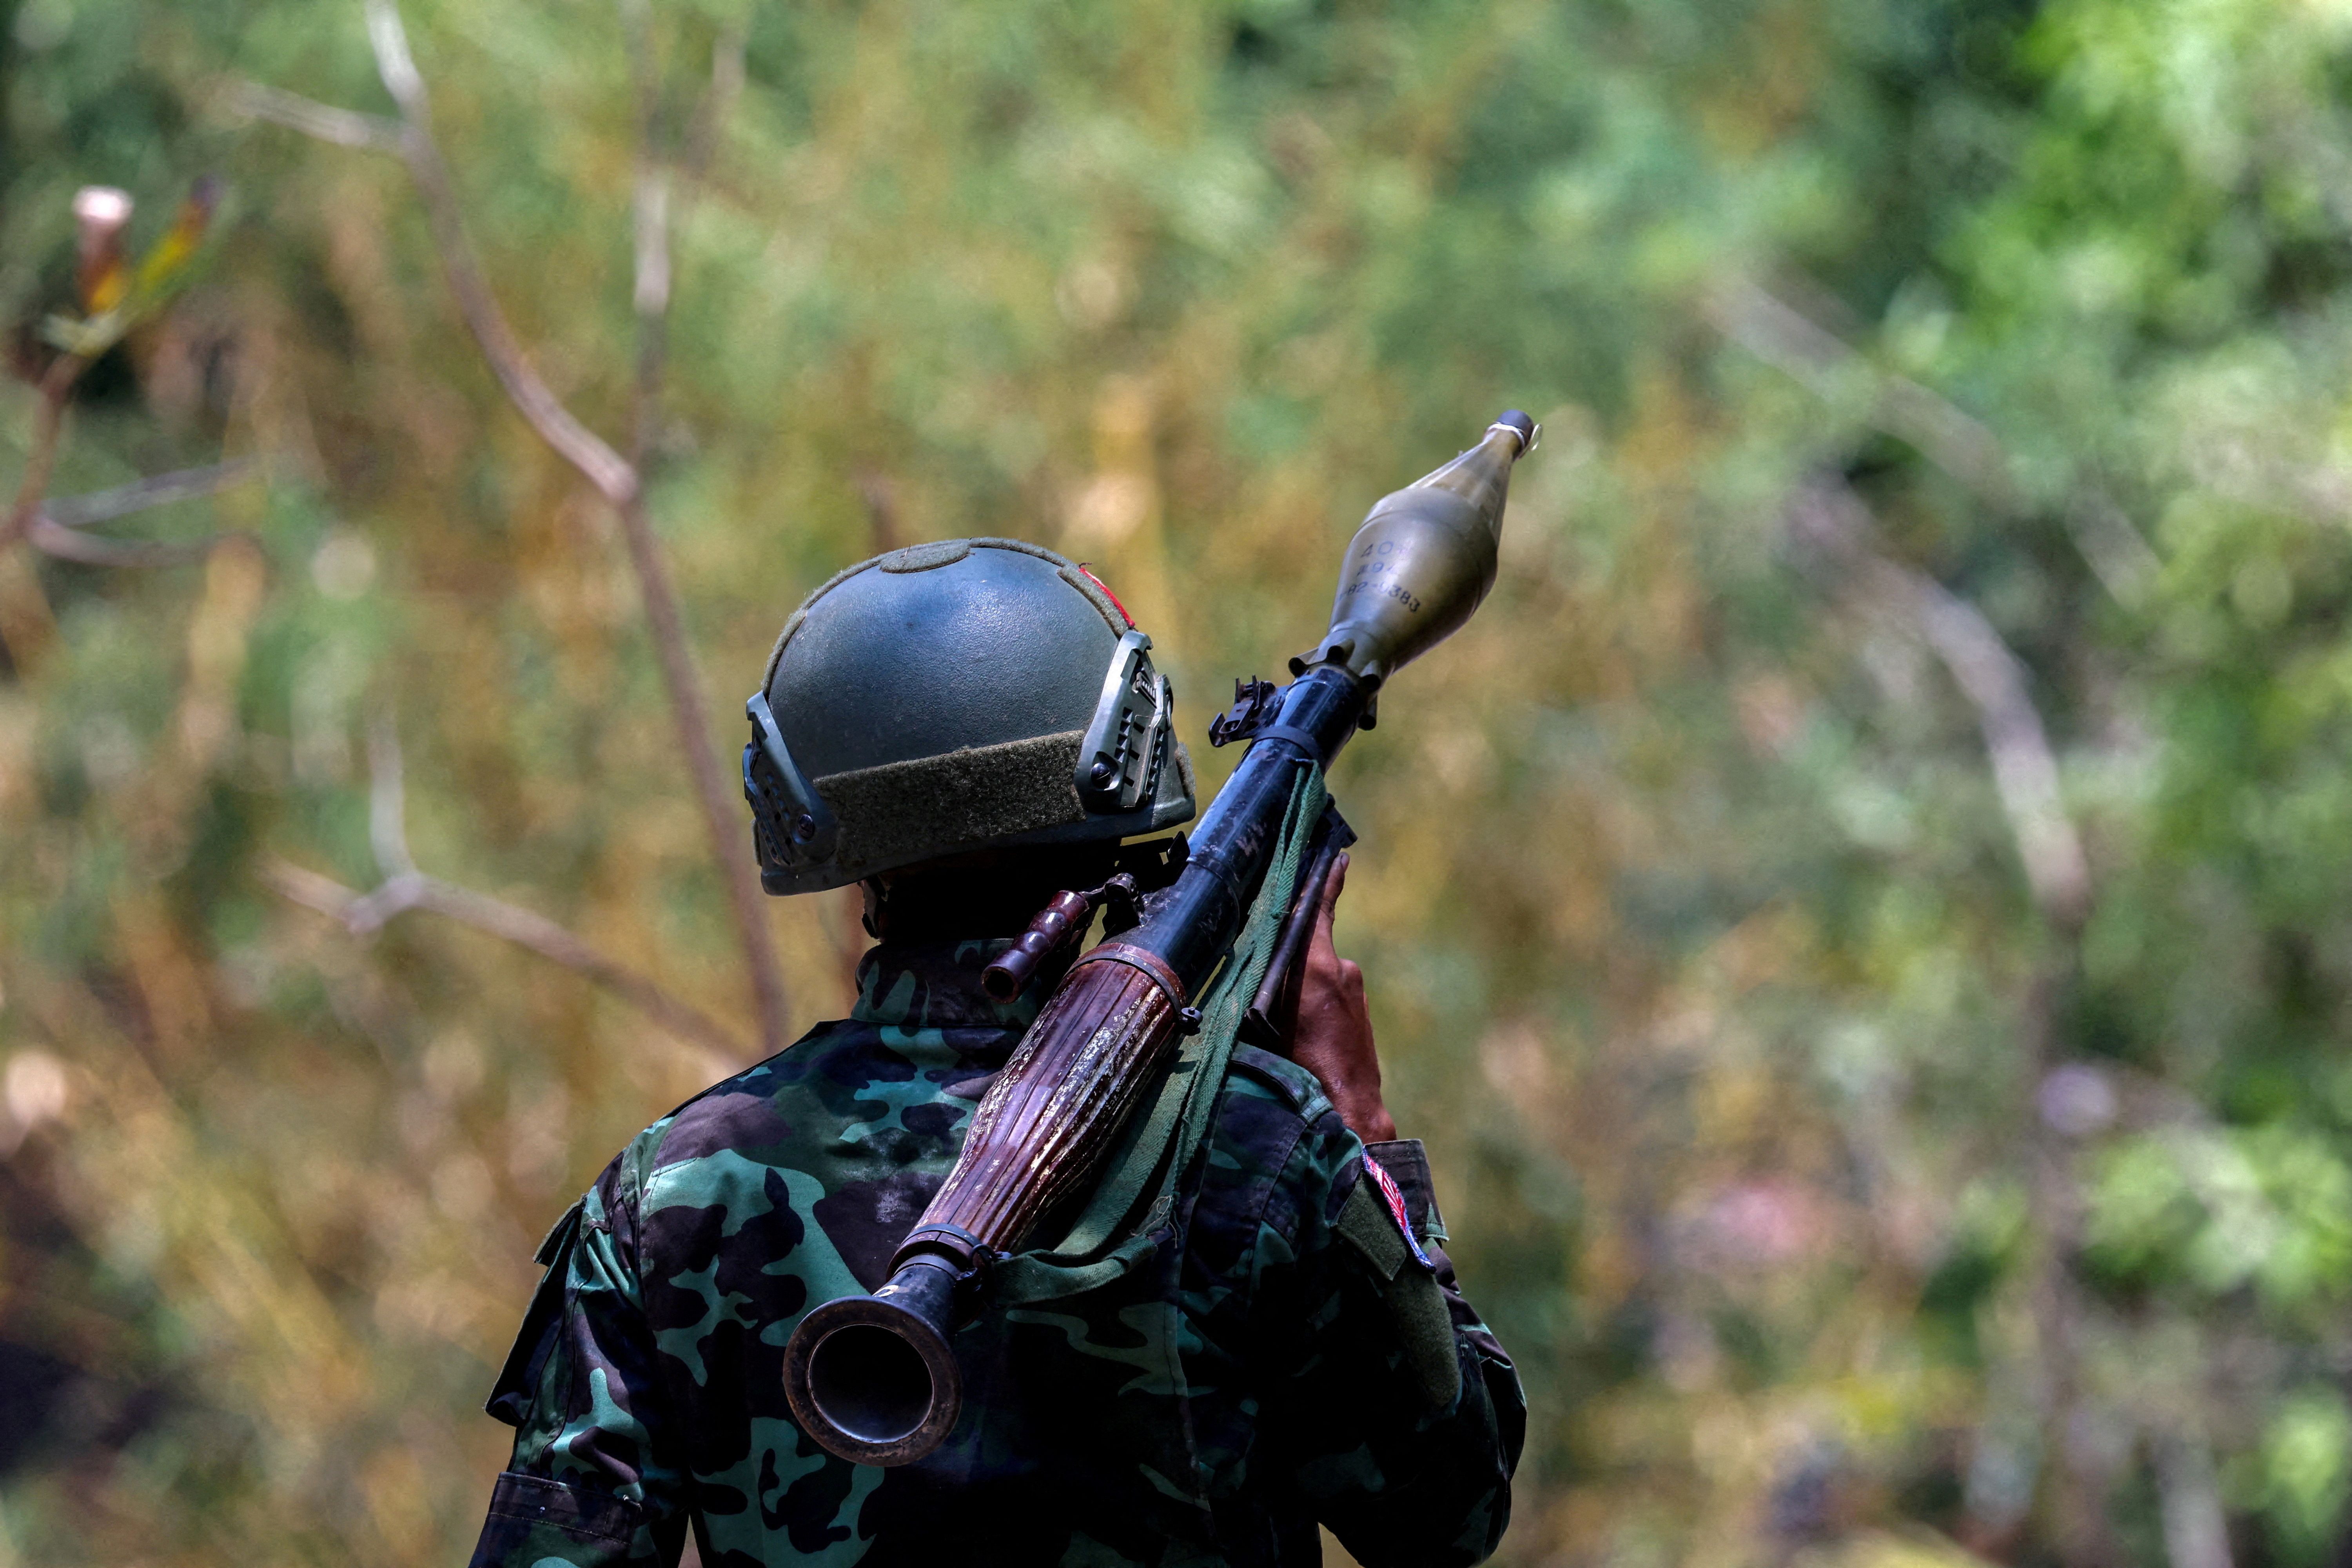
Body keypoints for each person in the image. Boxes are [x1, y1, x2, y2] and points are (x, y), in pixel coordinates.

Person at [465, 538, 1524, 1568]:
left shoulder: (673, 1193)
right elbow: (1449, 1518)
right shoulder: (1261, 1146)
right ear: (1123, 774)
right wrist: (1364, 1132)